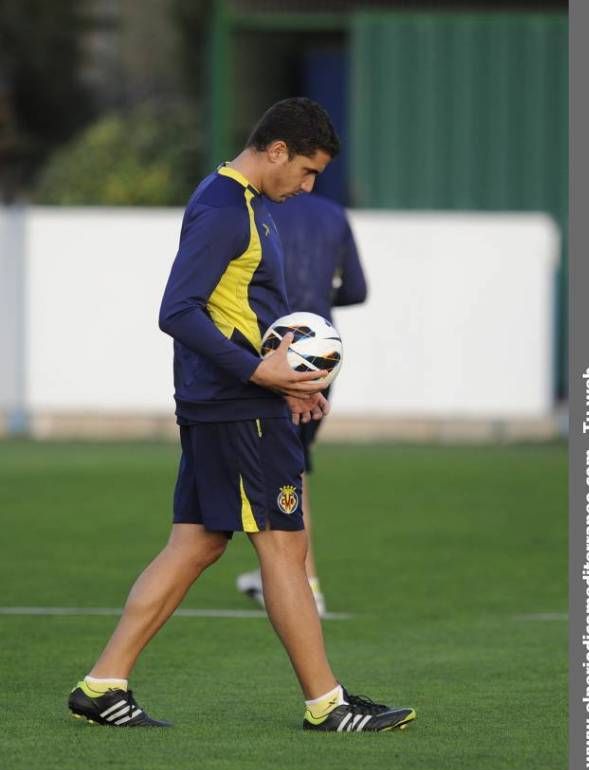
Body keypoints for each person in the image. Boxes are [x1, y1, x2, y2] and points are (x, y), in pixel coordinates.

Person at [66, 98, 415, 733]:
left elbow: (246, 316)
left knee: (196, 542)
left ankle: (102, 685)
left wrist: (288, 382)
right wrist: (261, 375)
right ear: (276, 151)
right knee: (285, 545)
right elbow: (178, 310)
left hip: (235, 401)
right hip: (235, 408)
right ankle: (326, 705)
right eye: (307, 171)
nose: (308, 187)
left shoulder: (248, 205)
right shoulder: (226, 209)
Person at [236, 192, 367, 616]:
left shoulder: (257, 209)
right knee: (293, 462)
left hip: (271, 352)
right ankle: (284, 577)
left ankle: (305, 585)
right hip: (321, 355)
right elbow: (357, 289)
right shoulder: (333, 214)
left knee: (277, 467)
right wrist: (319, 302)